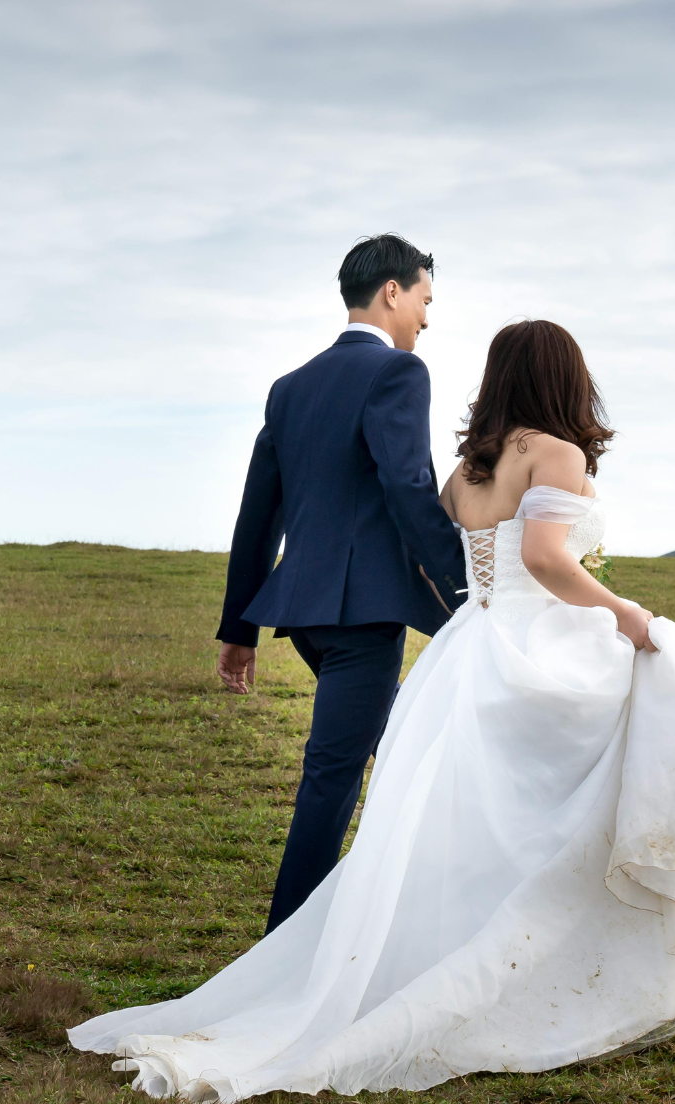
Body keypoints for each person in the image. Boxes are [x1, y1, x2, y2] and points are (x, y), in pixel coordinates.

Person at [70, 318, 675, 1103]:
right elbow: (542, 556)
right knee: (658, 679)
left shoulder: (468, 471)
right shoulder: (557, 453)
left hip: (472, 643)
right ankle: (572, 952)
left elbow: (438, 556)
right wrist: (621, 612)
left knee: (472, 820)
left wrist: (485, 611)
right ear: (566, 378)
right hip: (542, 640)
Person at [212, 234, 467, 932]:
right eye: (424, 298)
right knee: (331, 781)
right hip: (361, 618)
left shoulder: (290, 387)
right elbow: (408, 488)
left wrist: (240, 630)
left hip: (310, 617)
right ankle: (283, 955)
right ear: (392, 291)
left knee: (413, 764)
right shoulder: (399, 376)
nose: (426, 316)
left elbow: (256, 514)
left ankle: (430, 919)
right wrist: (469, 592)